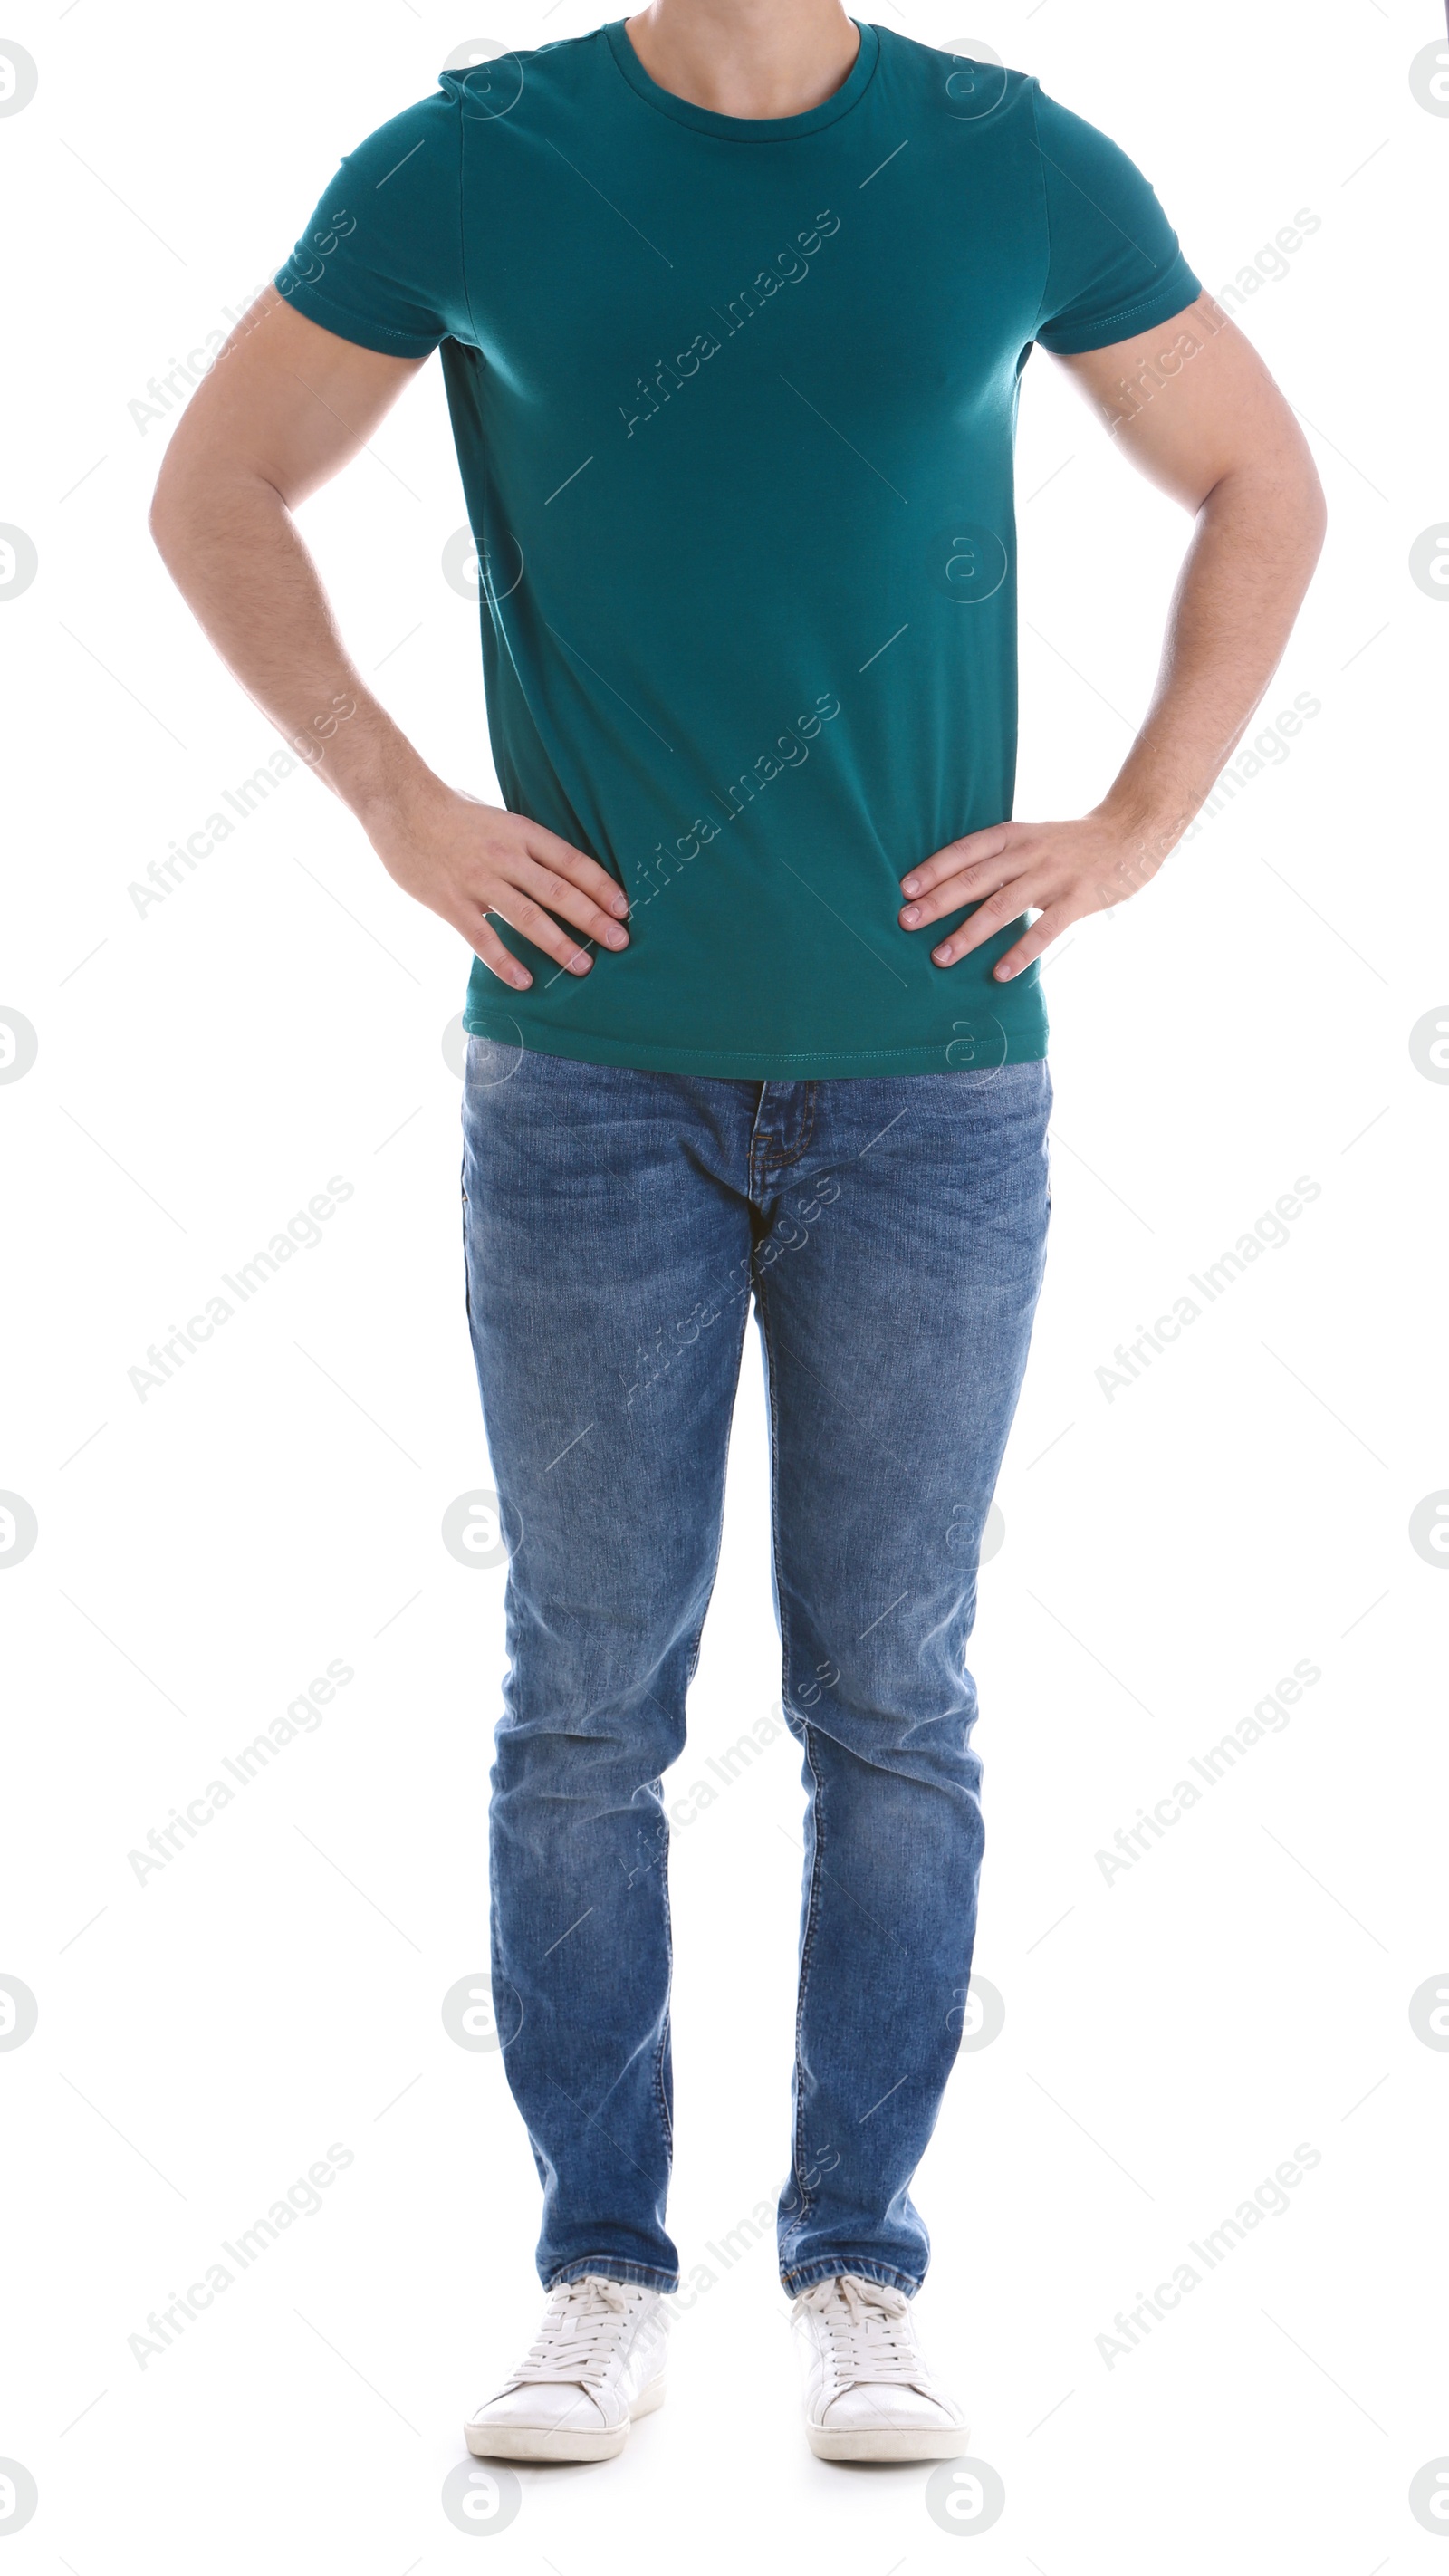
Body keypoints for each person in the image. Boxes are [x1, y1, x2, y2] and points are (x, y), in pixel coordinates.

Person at [149, 0, 1325, 2466]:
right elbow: (218, 491)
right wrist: (395, 800)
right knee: (588, 1690)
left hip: (931, 1089)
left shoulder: (1011, 160)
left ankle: (860, 2267)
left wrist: (1137, 823)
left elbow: (1262, 483)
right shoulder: (476, 159)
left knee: (892, 1695)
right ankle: (598, 2260)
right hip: (587, 1080)